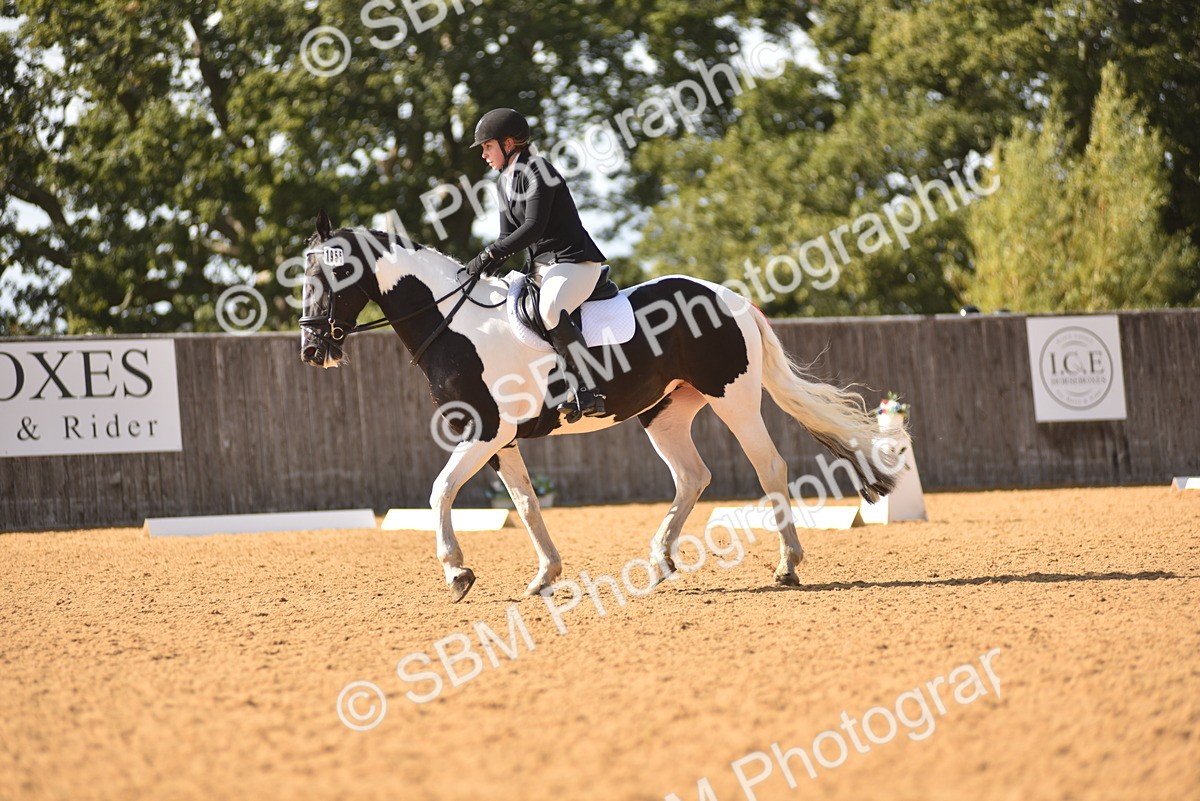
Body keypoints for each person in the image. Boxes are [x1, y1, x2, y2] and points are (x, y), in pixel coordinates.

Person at [465, 108, 609, 421]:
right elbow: (507, 236)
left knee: (550, 309)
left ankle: (588, 387)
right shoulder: (504, 181)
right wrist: (482, 269)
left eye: (487, 147)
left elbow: (533, 227)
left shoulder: (537, 170)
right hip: (542, 269)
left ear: (508, 143)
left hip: (574, 262)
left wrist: (489, 253)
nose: (484, 155)